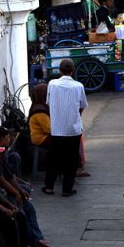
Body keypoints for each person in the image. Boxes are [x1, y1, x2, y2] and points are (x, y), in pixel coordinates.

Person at [0, 138, 53, 247]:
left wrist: (19, 189)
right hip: (1, 198)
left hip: (6, 195)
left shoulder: (1, 159)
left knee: (29, 208)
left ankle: (38, 237)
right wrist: (14, 195)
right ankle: (30, 243)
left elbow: (10, 176)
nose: (9, 140)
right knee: (21, 215)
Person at [43, 58, 88, 197]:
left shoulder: (52, 84)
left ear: (60, 70)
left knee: (53, 158)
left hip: (56, 129)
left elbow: (49, 103)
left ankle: (49, 187)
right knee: (72, 159)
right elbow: (81, 106)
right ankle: (67, 189)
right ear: (73, 70)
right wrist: (75, 117)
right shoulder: (78, 86)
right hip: (73, 129)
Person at [29, 83, 51, 149]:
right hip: (41, 139)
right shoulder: (40, 111)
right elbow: (49, 129)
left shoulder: (37, 105)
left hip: (43, 136)